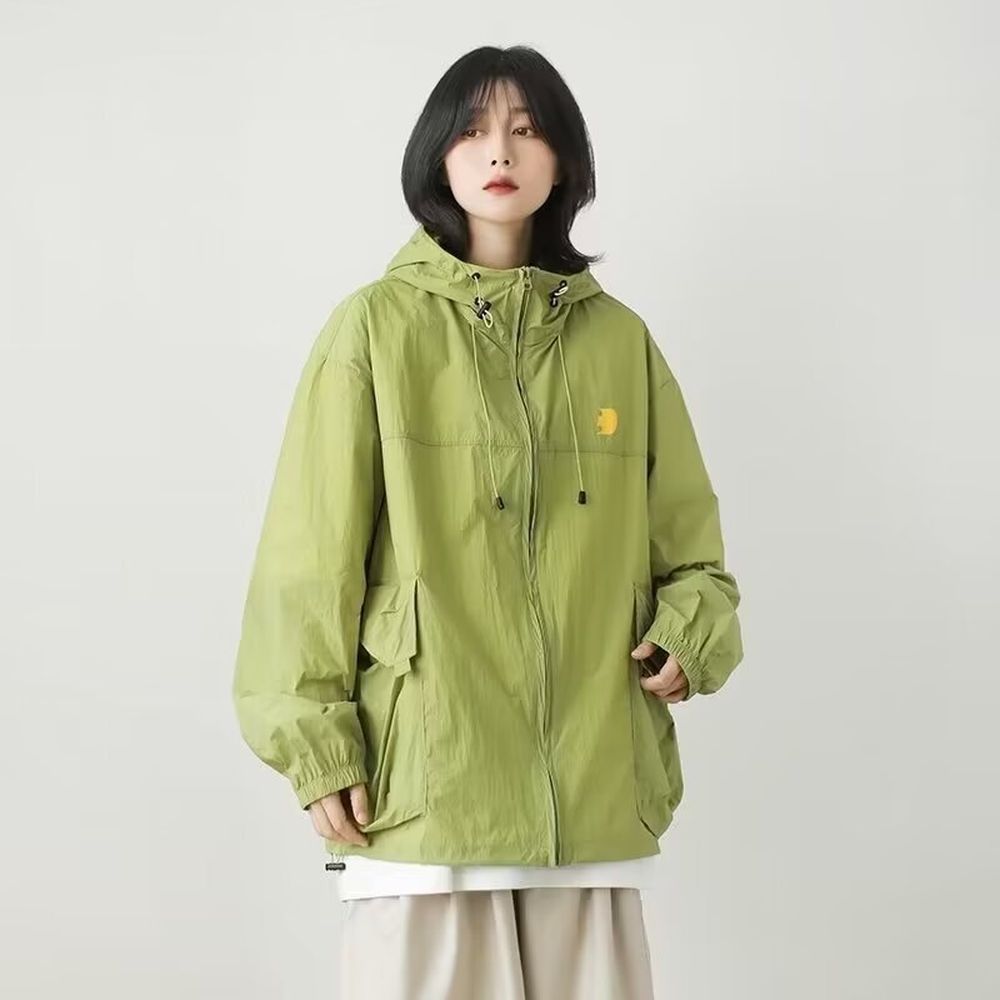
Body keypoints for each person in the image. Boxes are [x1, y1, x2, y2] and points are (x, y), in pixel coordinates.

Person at [232, 44, 744, 1000]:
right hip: (428, 793)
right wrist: (315, 743)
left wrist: (692, 633)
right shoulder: (374, 330)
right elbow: (307, 560)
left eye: (526, 129)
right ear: (437, 157)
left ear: (564, 161)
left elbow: (695, 559)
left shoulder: (620, 343)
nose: (498, 150)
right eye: (471, 131)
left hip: (590, 794)